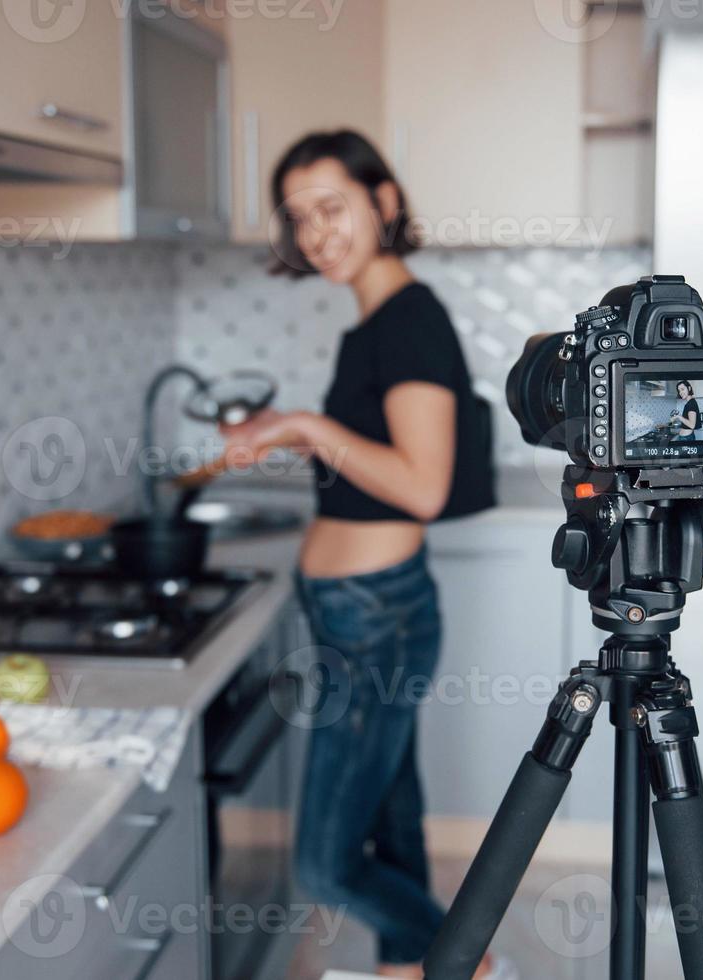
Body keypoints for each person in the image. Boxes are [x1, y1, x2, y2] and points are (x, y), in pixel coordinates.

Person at [216, 130, 508, 980]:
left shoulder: (410, 321)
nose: (315, 232)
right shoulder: (374, 326)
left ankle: (465, 960)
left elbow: (420, 485)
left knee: (325, 863)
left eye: (332, 207)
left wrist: (308, 426)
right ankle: (406, 969)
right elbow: (371, 467)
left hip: (378, 614)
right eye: (299, 217)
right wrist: (289, 438)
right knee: (392, 816)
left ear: (383, 202)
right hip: (357, 608)